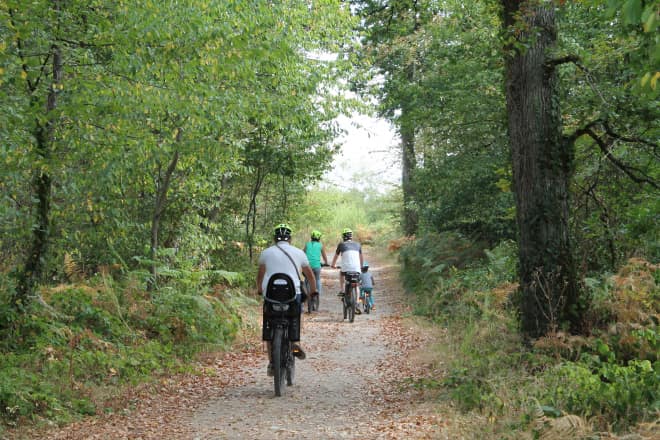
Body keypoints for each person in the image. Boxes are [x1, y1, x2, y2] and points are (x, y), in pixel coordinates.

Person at [257, 223, 317, 376]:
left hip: (271, 296)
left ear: (274, 238)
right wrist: (313, 291)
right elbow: (310, 275)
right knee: (295, 316)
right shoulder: (299, 253)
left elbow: (261, 274)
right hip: (293, 295)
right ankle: (294, 342)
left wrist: (259, 289)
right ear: (290, 238)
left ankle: (272, 363)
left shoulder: (265, 253)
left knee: (269, 326)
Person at [330, 228, 363, 297]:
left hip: (346, 269)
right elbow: (361, 258)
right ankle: (357, 302)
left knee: (341, 274)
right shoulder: (358, 244)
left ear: (343, 236)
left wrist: (333, 265)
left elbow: (336, 256)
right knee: (356, 284)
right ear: (351, 236)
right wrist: (361, 267)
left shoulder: (341, 244)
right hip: (356, 268)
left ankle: (342, 290)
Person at [302, 230, 328, 302]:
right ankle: (317, 294)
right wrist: (326, 262)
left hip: (307, 266)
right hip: (316, 266)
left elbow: (302, 253)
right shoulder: (320, 245)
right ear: (319, 238)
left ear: (311, 237)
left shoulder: (307, 244)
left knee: (306, 280)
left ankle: (304, 295)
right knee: (317, 279)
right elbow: (324, 255)